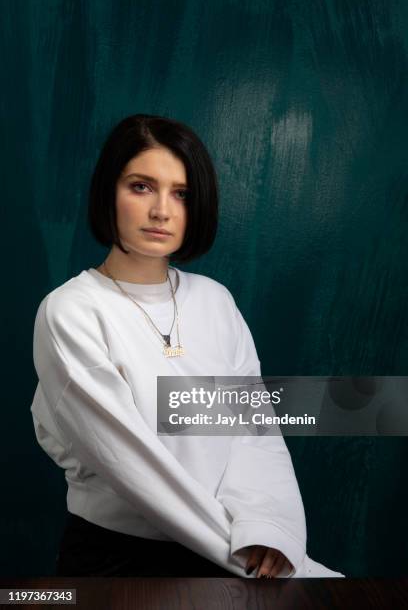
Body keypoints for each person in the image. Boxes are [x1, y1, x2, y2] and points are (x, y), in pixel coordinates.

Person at [30, 114, 344, 578]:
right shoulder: (71, 311)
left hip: (233, 551)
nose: (162, 211)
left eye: (181, 193)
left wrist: (271, 531)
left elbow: (253, 431)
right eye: (141, 187)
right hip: (118, 562)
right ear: (107, 193)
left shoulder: (215, 300)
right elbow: (133, 464)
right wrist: (256, 560)